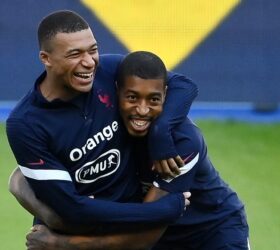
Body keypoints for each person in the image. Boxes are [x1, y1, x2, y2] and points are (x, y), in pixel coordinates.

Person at [17, 51, 250, 249]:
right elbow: (19, 180)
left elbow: (147, 232)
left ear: (165, 97)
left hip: (211, 234)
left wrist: (62, 244)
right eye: (132, 97)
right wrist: (54, 217)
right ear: (116, 91)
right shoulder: (106, 129)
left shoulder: (183, 143)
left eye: (153, 100)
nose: (141, 110)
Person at [6, 9, 197, 239]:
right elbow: (73, 210)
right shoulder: (26, 124)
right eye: (74, 54)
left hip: (123, 229)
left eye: (93, 50)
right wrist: (160, 210)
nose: (89, 62)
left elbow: (184, 86)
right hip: (74, 237)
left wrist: (160, 131)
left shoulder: (108, 71)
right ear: (46, 58)